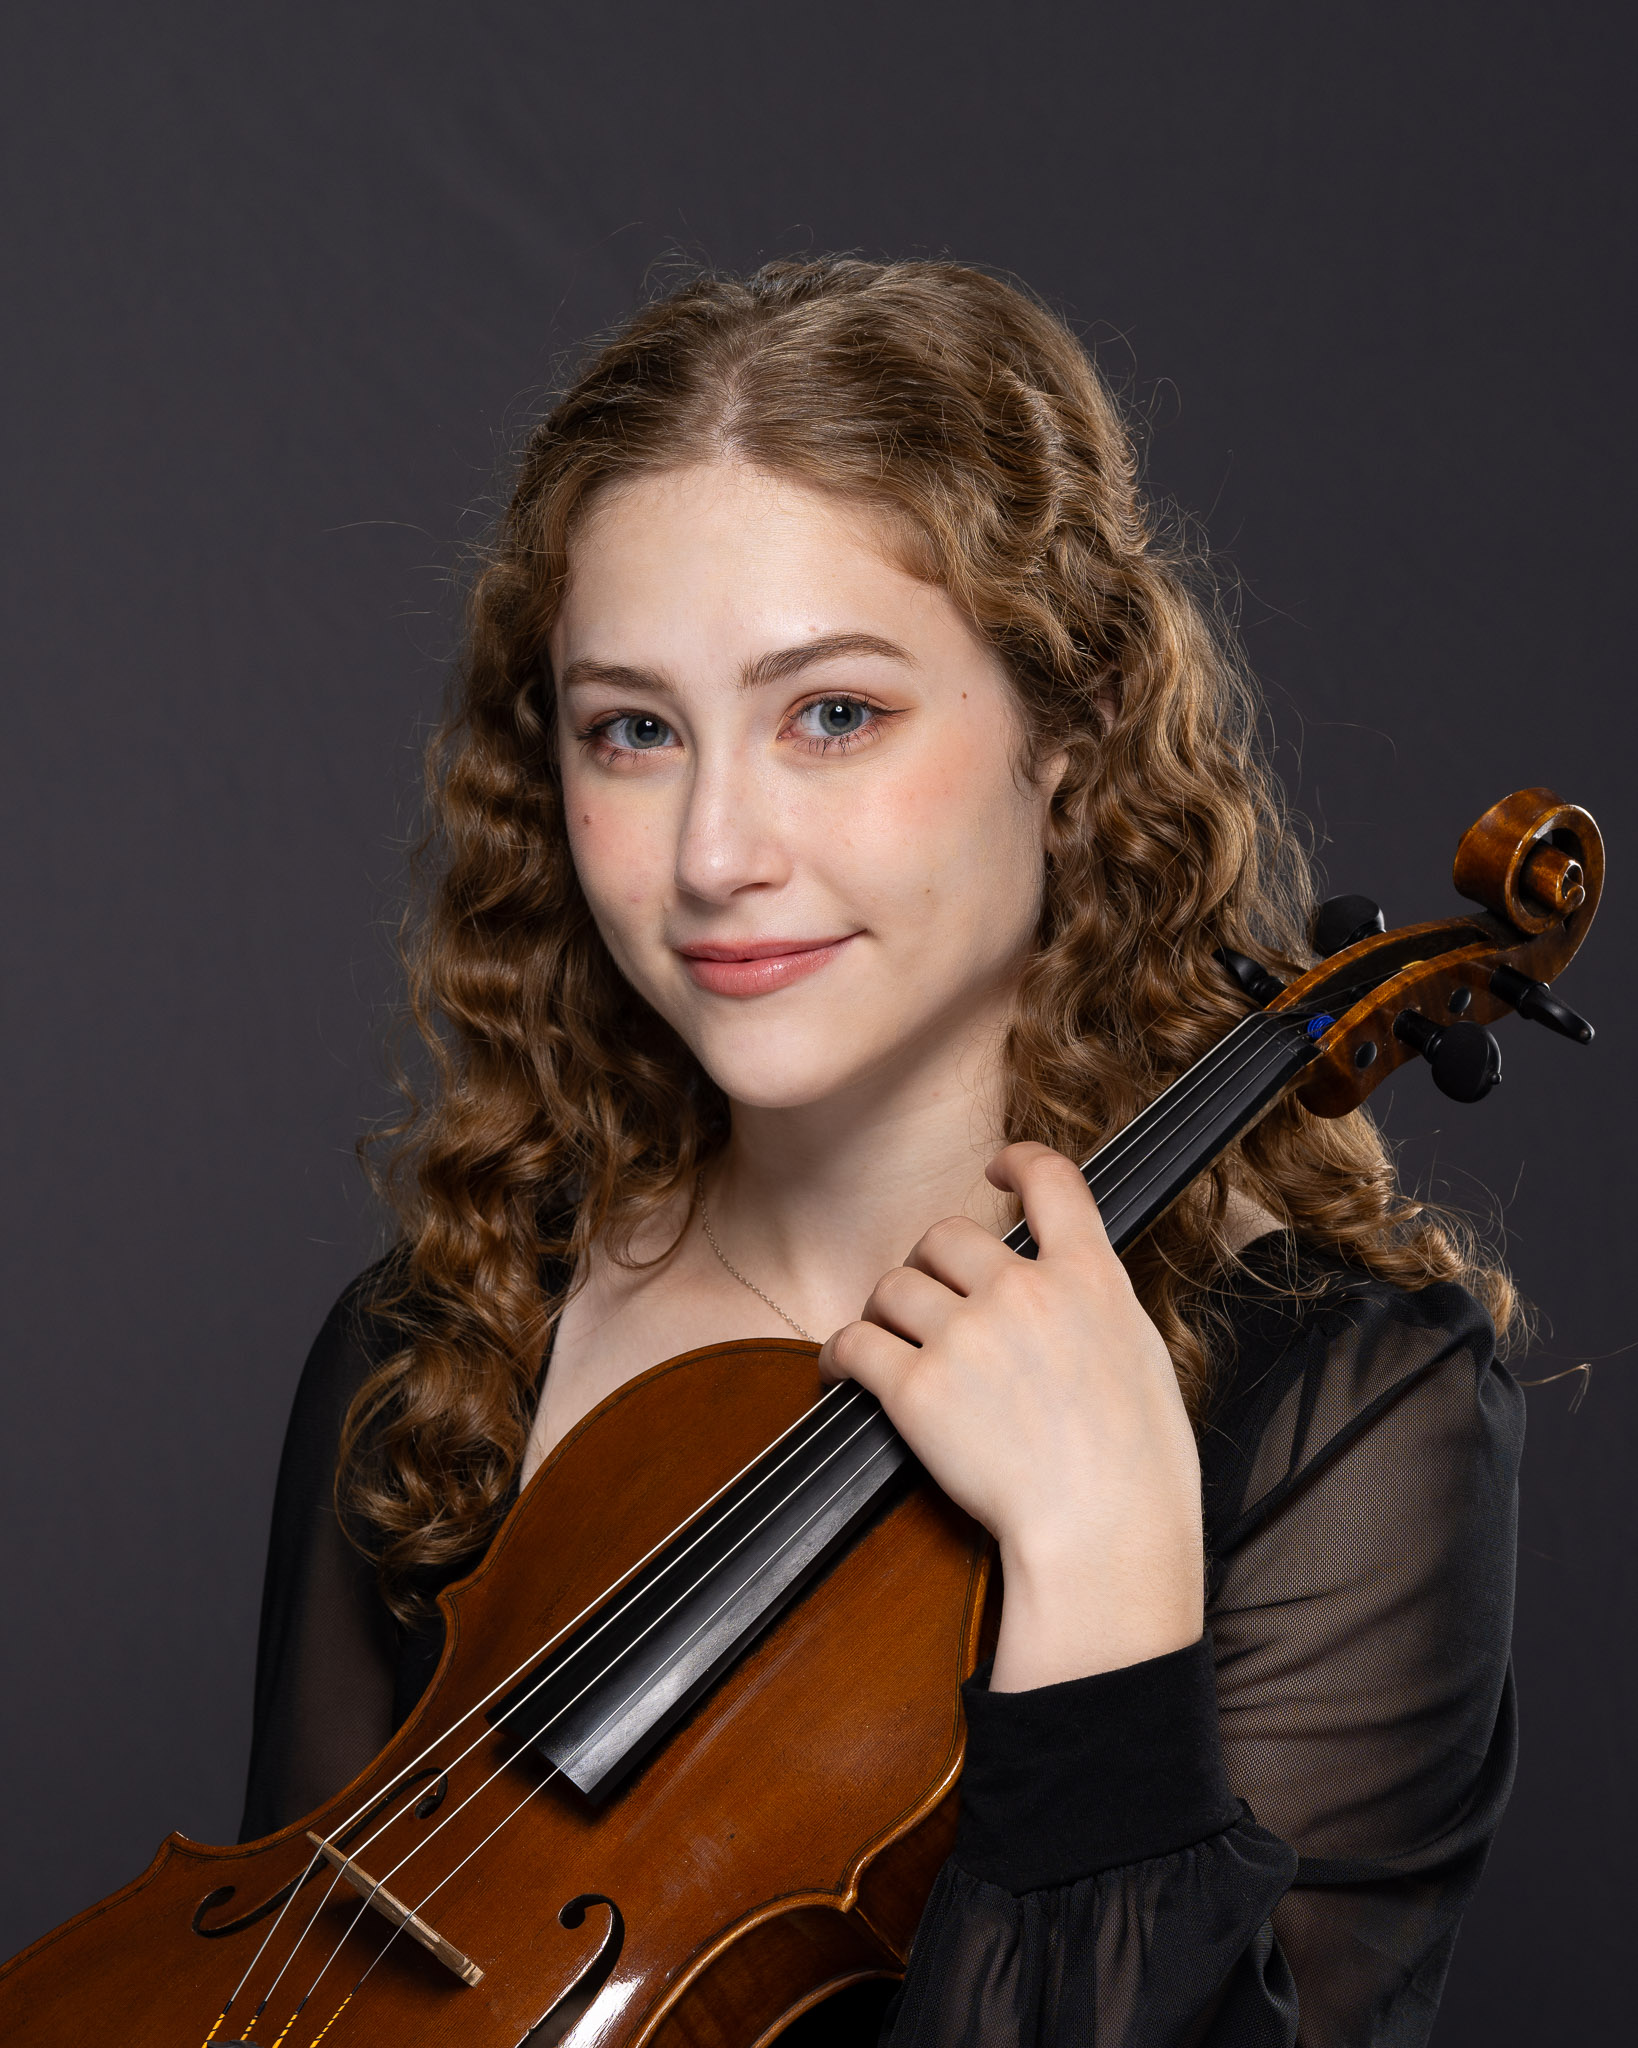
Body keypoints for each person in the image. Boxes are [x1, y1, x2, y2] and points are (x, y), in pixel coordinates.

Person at [242, 259, 1522, 2044]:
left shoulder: (1343, 1403)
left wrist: (1101, 1573)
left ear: (1064, 738)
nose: (712, 852)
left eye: (831, 714)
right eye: (634, 729)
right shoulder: (441, 1342)